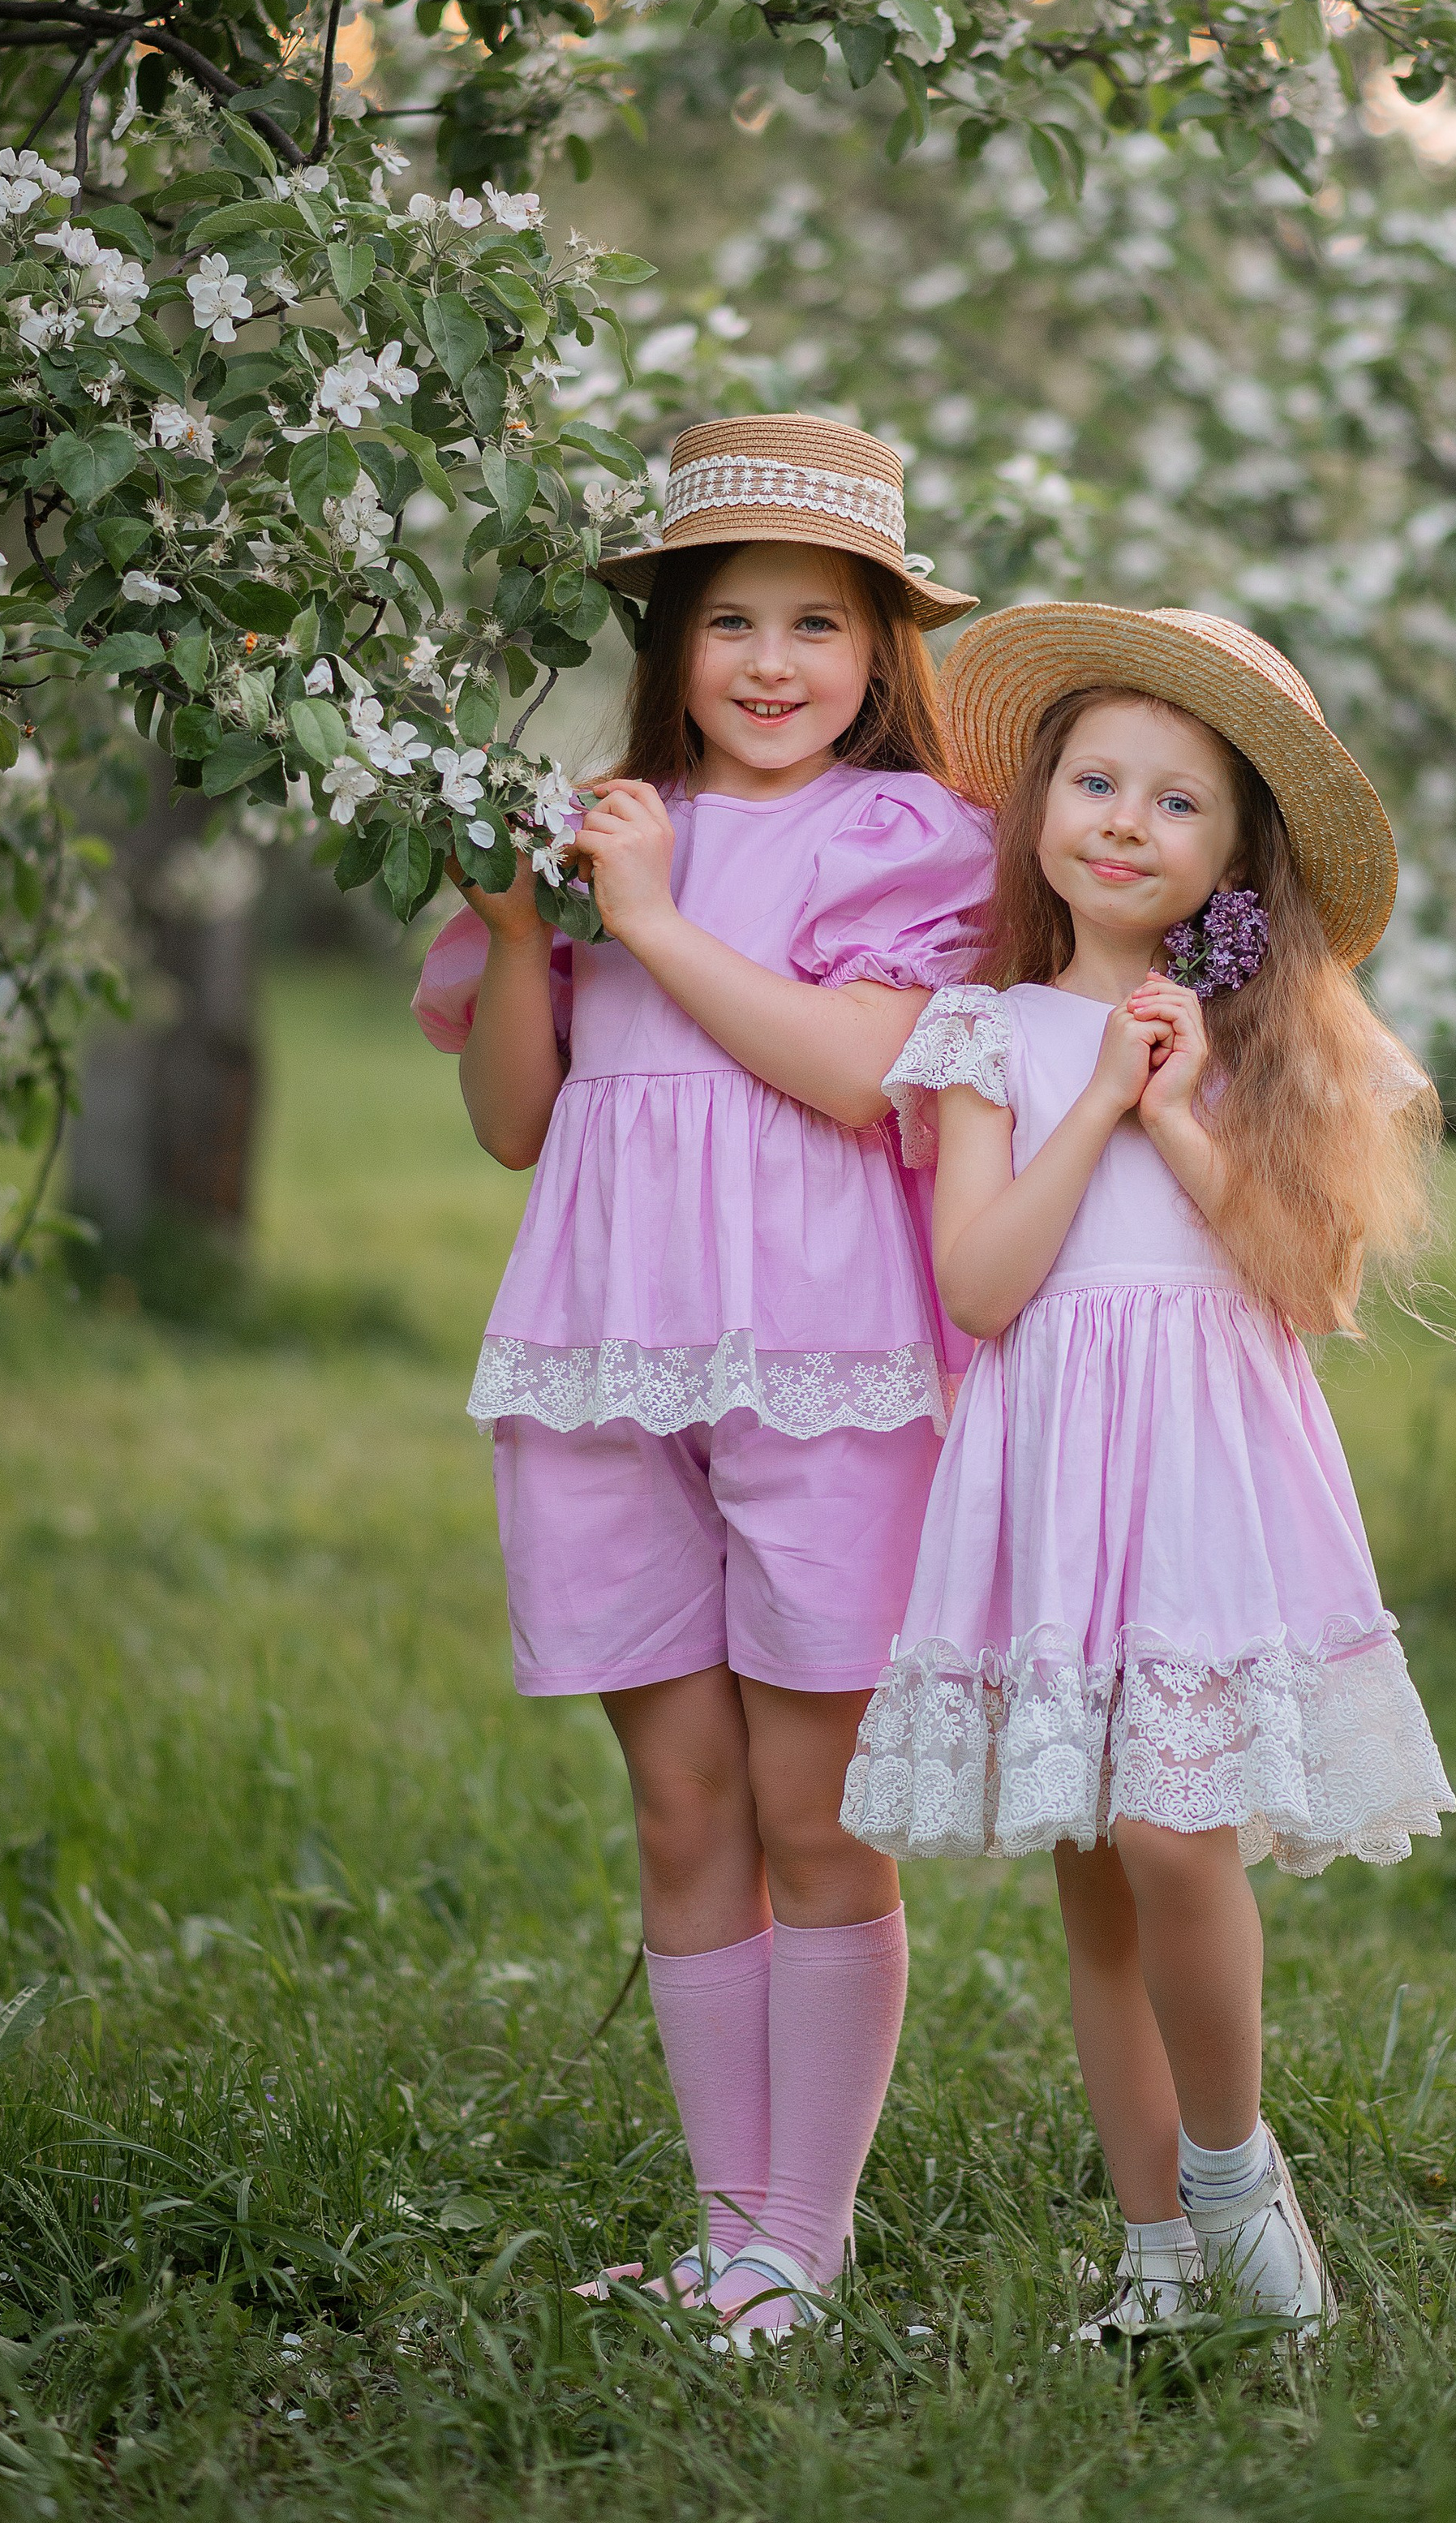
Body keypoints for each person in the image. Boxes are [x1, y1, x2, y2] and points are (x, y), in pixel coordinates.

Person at [413, 416, 993, 2343]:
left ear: (879, 649)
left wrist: (652, 917)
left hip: (818, 1354)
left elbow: (859, 1073)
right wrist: (529, 931)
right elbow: (515, 1118)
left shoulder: (905, 834)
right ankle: (729, 2234)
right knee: (681, 1811)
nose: (768, 661)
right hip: (601, 1343)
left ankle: (798, 2245)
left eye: (815, 624)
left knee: (814, 1811)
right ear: (669, 640)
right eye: (729, 619)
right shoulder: (605, 826)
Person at [840, 604, 1454, 2340]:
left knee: (1179, 1835)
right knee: (1098, 1875)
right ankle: (1159, 2259)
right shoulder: (988, 1034)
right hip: (1056, 1469)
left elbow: (1307, 1288)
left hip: (1200, 1470)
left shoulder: (1264, 1046)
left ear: (1234, 855)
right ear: (1039, 807)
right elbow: (978, 1288)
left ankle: (1234, 2180)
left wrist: (1176, 1111)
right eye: (1095, 781)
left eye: (1175, 802)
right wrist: (1099, 1096)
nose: (1123, 821)